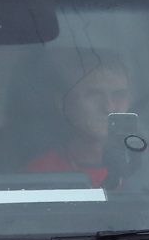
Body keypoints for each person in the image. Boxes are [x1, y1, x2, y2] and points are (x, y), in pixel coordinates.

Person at [21, 52, 135, 187]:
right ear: (63, 103)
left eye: (119, 95)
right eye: (94, 95)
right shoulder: (39, 174)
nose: (109, 107)